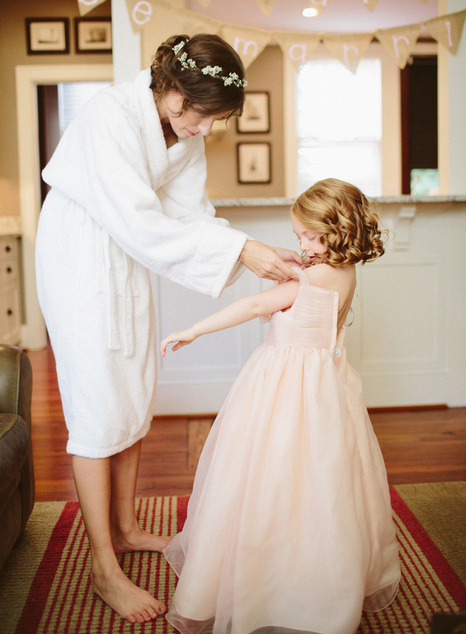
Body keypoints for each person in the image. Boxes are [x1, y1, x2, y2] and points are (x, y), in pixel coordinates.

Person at [35, 33, 301, 625]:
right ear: (176, 95)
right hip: (80, 257)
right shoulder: (108, 116)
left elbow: (190, 218)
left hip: (126, 256)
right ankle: (104, 567)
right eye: (207, 117)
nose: (208, 131)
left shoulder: (180, 131)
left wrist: (261, 255)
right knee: (97, 402)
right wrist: (245, 249)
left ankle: (126, 529)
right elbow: (139, 220)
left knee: (133, 386)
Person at [160, 178, 401, 634]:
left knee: (271, 475)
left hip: (287, 386)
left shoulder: (313, 278)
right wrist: (296, 267)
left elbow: (253, 305)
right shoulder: (343, 272)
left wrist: (193, 330)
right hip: (324, 385)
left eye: (311, 237)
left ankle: (275, 584)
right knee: (322, 480)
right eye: (298, 237)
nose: (303, 245)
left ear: (340, 229)